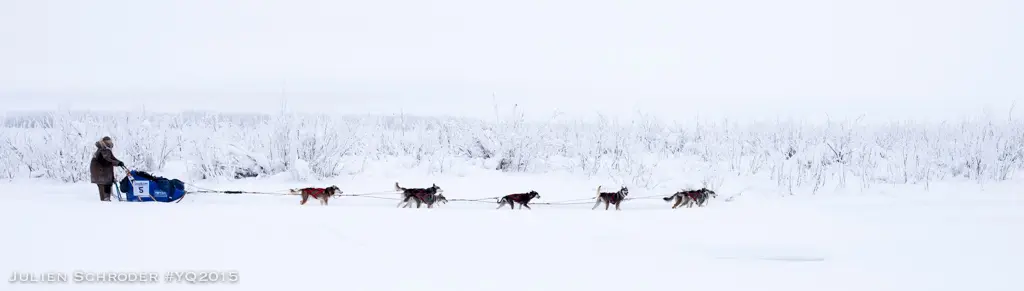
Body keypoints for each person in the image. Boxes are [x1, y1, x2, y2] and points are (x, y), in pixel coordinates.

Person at [89, 136, 125, 201]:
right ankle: (106, 202)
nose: (111, 142)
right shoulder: (104, 149)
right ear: (105, 142)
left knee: (105, 186)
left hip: (101, 173)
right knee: (105, 187)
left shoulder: (104, 149)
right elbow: (107, 160)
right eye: (109, 141)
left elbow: (112, 159)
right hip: (102, 174)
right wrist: (118, 163)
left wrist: (119, 162)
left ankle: (105, 201)